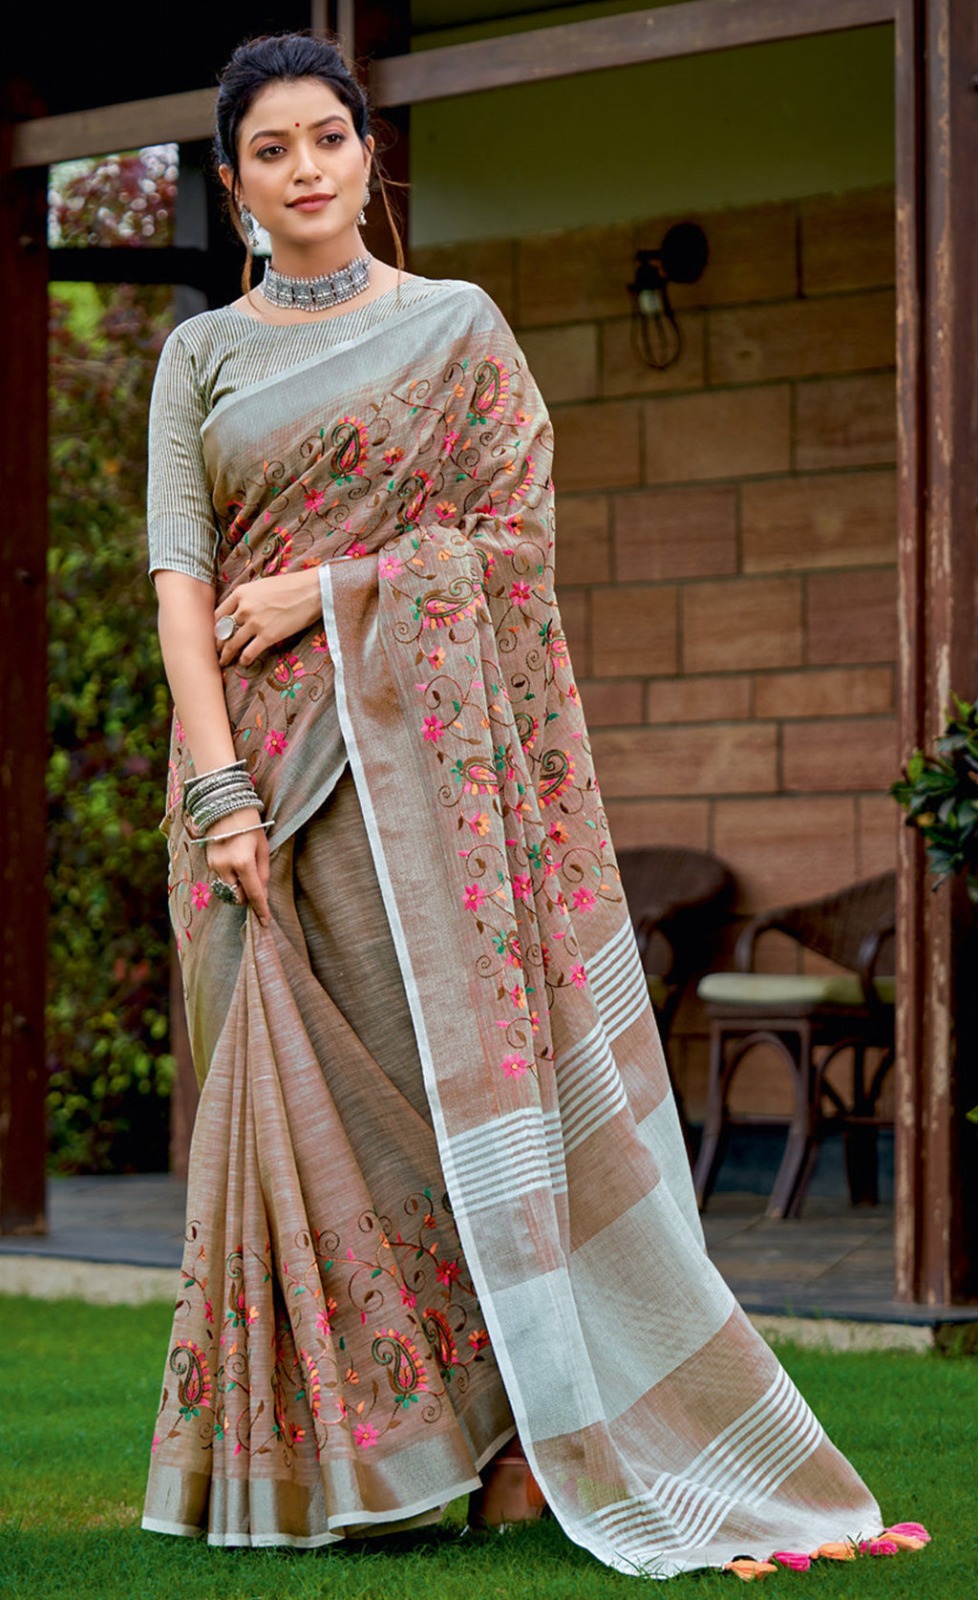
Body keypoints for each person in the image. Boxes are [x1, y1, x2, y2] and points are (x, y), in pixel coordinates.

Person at [142, 31, 925, 1577]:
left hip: (416, 793)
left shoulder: (455, 328)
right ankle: (343, 1468)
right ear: (234, 185)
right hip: (247, 787)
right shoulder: (200, 357)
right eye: (270, 150)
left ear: (368, 153)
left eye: (327, 138)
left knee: (446, 1112)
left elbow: (511, 550)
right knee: (286, 1114)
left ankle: (509, 1444)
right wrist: (219, 788)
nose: (305, 169)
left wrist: (325, 589)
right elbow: (179, 582)